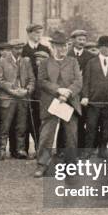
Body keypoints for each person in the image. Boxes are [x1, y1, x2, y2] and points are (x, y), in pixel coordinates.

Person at [33, 31, 83, 178]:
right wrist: (58, 90)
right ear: (52, 46)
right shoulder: (44, 63)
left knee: (71, 136)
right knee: (46, 136)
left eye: (64, 46)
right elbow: (41, 81)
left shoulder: (73, 62)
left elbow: (78, 82)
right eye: (59, 46)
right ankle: (42, 165)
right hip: (51, 103)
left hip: (69, 103)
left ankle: (71, 167)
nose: (62, 49)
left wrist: (68, 92)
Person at [81, 35, 108, 158]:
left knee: (106, 128)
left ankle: (102, 150)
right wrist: (85, 96)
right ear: (100, 48)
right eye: (106, 47)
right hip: (93, 103)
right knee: (91, 127)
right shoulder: (91, 63)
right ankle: (87, 151)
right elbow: (86, 82)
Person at [0, 39, 35, 160]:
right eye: (17, 48)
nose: (19, 51)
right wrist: (11, 90)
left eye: (21, 48)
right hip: (8, 97)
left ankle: (20, 150)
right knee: (4, 126)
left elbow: (32, 79)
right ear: (11, 49)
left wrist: (27, 90)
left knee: (21, 126)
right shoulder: (2, 61)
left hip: (22, 98)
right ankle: (1, 150)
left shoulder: (26, 62)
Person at [22, 24, 50, 154]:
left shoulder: (45, 49)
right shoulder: (23, 49)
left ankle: (40, 147)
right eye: (36, 33)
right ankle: (24, 148)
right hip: (26, 89)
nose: (39, 36)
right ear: (29, 33)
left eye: (40, 33)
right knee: (26, 119)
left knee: (40, 119)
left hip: (41, 91)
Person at [68, 30, 93, 148]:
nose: (82, 42)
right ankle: (63, 149)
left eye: (84, 40)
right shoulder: (67, 54)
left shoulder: (90, 56)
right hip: (69, 93)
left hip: (83, 95)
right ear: (73, 40)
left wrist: (86, 95)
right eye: (79, 39)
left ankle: (81, 148)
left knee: (82, 121)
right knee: (67, 121)